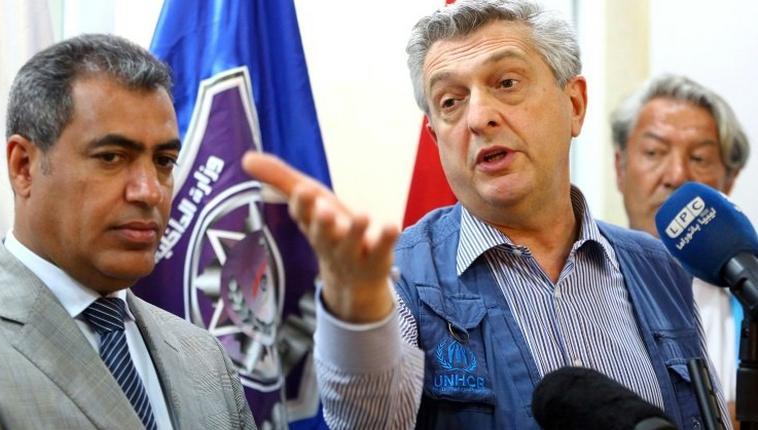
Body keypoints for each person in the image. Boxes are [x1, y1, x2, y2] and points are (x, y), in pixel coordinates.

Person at [243, 0, 730, 429]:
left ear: (574, 103)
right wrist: (356, 307)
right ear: (436, 138)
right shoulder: (399, 276)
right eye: (451, 101)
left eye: (507, 82)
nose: (478, 117)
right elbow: (369, 422)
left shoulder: (658, 266)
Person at [0, 34, 255, 429]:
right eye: (112, 157)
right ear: (23, 166)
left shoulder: (206, 357)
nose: (150, 190)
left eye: (164, 161)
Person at [611, 74, 750, 416]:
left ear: (728, 181)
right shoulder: (578, 282)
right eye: (654, 152)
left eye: (700, 159)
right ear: (620, 169)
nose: (676, 175)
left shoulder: (749, 287)